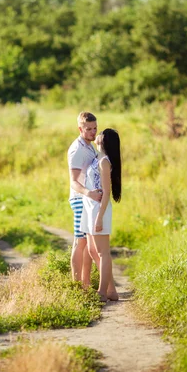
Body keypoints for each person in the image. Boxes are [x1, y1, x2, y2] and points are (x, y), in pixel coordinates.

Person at [79, 128, 121, 302]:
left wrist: (99, 216)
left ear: (104, 139)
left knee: (103, 252)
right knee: (91, 249)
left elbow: (106, 191)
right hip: (89, 207)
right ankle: (111, 291)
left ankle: (102, 292)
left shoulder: (104, 161)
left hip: (99, 209)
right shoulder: (96, 157)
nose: (97, 133)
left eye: (100, 132)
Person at [68, 112, 102, 287]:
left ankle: (85, 284)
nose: (93, 132)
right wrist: (89, 193)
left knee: (88, 243)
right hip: (80, 199)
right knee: (80, 242)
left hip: (89, 200)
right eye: (88, 129)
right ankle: (76, 286)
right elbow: (73, 182)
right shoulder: (77, 150)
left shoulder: (89, 146)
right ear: (80, 129)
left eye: (95, 128)